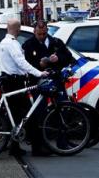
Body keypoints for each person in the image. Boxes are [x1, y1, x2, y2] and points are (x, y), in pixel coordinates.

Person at [21, 21, 73, 156]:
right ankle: (40, 146)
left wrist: (58, 58)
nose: (41, 36)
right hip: (38, 82)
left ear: (47, 31)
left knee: (63, 109)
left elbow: (69, 57)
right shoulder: (28, 44)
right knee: (40, 113)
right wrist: (39, 64)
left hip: (55, 80)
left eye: (44, 33)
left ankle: (62, 142)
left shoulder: (56, 42)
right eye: (39, 34)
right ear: (34, 32)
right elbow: (24, 63)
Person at [0, 19, 48, 157]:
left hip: (8, 80)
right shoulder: (12, 44)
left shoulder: (3, 43)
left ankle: (14, 147)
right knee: (28, 115)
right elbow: (21, 62)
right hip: (15, 82)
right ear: (18, 29)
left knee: (16, 117)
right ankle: (37, 149)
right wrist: (39, 73)